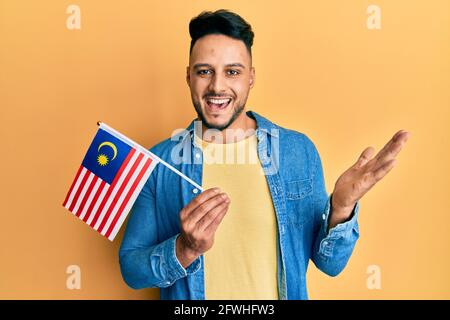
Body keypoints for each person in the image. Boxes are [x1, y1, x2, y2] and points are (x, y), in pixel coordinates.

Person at [119, 9, 409, 300]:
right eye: (204, 71)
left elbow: (330, 264)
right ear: (188, 77)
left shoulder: (297, 152)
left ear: (251, 78)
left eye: (232, 71)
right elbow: (131, 270)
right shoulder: (160, 163)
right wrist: (184, 249)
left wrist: (342, 208)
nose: (217, 86)